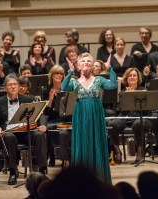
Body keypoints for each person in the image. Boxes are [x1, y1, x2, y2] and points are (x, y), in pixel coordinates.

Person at [61, 52, 117, 183]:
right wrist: (69, 72)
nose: (86, 63)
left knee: (96, 140)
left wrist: (109, 68)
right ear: (78, 65)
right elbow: (64, 87)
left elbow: (113, 85)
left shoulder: (99, 80)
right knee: (82, 142)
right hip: (80, 114)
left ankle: (99, 178)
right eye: (83, 61)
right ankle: (82, 179)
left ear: (92, 66)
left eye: (88, 61)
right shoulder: (74, 82)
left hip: (95, 113)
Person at [0, 74, 48, 185]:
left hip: (26, 132)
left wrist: (43, 125)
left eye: (15, 84)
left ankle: (42, 170)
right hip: (9, 133)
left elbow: (41, 115)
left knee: (39, 135)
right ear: (5, 88)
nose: (13, 87)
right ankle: (12, 171)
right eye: (10, 85)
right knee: (9, 137)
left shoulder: (28, 99)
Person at [107, 67, 154, 164]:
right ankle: (118, 151)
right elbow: (121, 109)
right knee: (112, 124)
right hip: (125, 117)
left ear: (138, 78)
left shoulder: (143, 91)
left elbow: (147, 109)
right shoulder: (122, 92)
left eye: (134, 75)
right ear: (126, 79)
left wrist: (133, 94)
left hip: (141, 117)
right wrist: (127, 96)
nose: (132, 77)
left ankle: (140, 152)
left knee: (138, 124)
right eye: (130, 76)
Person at [42, 65, 70, 168]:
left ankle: (66, 157)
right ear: (52, 75)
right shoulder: (46, 89)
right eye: (56, 73)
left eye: (61, 73)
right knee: (48, 129)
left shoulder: (67, 88)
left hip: (64, 118)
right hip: (52, 119)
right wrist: (50, 100)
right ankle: (52, 155)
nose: (59, 75)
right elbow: (46, 112)